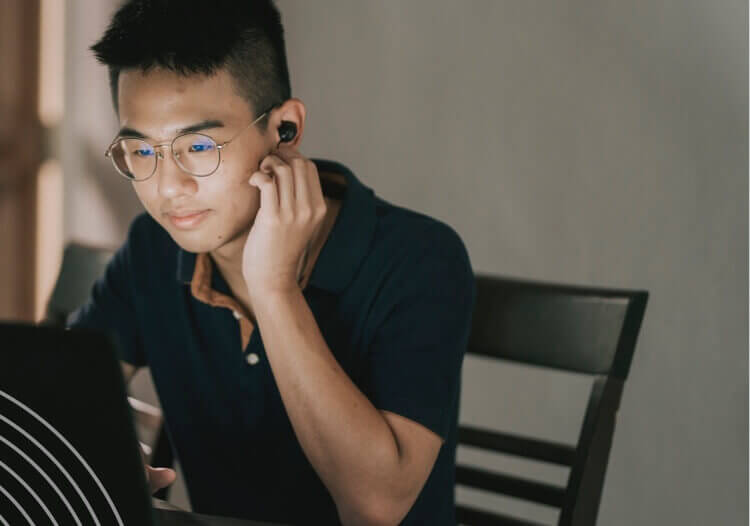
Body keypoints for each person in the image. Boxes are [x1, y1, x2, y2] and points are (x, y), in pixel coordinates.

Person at [61, 1, 475, 524]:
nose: (167, 188)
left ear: (284, 128)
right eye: (142, 152)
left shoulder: (419, 259)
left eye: (200, 144)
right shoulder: (153, 248)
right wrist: (95, 450)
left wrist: (274, 288)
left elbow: (375, 508)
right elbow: (58, 398)